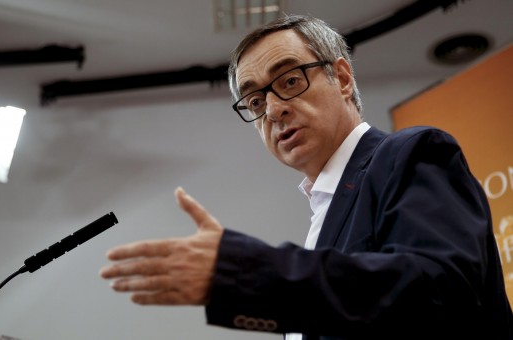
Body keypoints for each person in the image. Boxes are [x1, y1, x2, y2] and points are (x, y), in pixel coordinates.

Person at [99, 14, 513, 339]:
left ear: (343, 78)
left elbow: (440, 294)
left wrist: (245, 272)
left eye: (290, 81)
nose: (274, 109)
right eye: (256, 100)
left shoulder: (412, 154)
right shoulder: (322, 219)